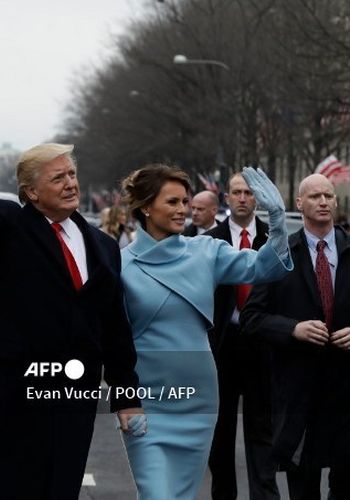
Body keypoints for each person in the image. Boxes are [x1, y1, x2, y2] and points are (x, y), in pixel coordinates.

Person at [0, 145, 143, 498]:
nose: (71, 183)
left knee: (61, 486)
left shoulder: (103, 245)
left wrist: (126, 395)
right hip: (13, 394)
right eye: (58, 178)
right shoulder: (11, 225)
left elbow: (115, 326)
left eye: (72, 174)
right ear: (32, 192)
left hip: (73, 396)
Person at [119, 164, 292, 499]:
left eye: (185, 201)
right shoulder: (120, 264)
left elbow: (262, 267)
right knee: (157, 494)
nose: (183, 209)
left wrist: (277, 219)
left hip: (198, 399)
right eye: (172, 202)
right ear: (145, 207)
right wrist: (125, 398)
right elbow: (113, 342)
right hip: (147, 401)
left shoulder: (206, 251)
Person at [241, 173, 350, 499]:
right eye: (315, 196)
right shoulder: (280, 254)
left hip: (345, 388)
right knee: (303, 484)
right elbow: (251, 317)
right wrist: (293, 329)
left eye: (328, 196)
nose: (323, 202)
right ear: (299, 203)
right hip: (298, 389)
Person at [205, 173, 278, 499]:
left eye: (249, 192)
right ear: (227, 198)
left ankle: (263, 494)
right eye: (237, 192)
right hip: (223, 344)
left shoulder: (274, 236)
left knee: (262, 430)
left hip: (262, 343)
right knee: (220, 433)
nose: (243, 198)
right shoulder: (210, 240)